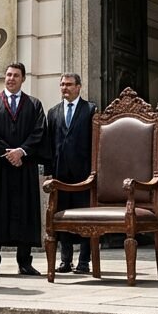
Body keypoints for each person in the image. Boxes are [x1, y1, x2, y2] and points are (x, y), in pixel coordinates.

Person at [0, 62, 48, 276]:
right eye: (9, 75)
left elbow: (39, 132)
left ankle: (25, 262)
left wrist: (21, 151)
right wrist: (8, 153)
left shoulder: (34, 105)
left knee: (25, 214)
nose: (11, 78)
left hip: (24, 168)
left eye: (16, 75)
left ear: (23, 79)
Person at [45, 73, 96, 274]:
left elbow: (96, 142)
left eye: (69, 84)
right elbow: (49, 144)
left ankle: (84, 261)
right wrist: (49, 172)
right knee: (62, 218)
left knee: (85, 220)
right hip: (60, 175)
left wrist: (95, 171)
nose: (65, 88)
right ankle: (65, 260)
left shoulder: (90, 109)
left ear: (79, 87)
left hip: (84, 175)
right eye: (62, 85)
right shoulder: (53, 112)